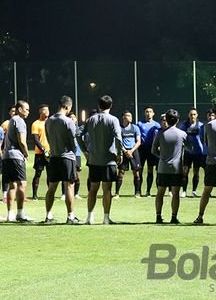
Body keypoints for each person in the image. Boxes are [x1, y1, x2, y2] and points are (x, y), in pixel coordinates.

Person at [78, 95, 123, 225]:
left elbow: (78, 134)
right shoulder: (113, 120)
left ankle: (90, 217)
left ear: (99, 106)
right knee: (107, 190)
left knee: (92, 189)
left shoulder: (91, 119)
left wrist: (85, 150)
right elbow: (118, 138)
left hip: (94, 159)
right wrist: (119, 153)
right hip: (109, 159)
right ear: (111, 105)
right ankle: (105, 218)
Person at [43, 96, 79, 224]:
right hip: (66, 157)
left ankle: (48, 215)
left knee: (51, 187)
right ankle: (70, 216)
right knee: (69, 186)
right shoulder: (68, 121)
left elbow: (47, 138)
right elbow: (73, 141)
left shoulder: (49, 121)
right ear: (67, 107)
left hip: (54, 157)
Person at [151, 109, 188, 224]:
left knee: (160, 192)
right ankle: (174, 217)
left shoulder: (160, 133)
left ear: (166, 120)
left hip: (162, 167)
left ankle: (158, 216)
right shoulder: (182, 134)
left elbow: (153, 150)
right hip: (176, 168)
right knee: (175, 193)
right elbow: (190, 148)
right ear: (177, 120)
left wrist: (162, 156)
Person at [2, 100, 34, 222]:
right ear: (19, 109)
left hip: (7, 156)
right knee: (22, 184)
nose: (28, 112)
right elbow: (22, 141)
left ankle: (10, 214)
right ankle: (20, 213)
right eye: (26, 109)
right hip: (16, 156)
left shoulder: (12, 120)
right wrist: (26, 153)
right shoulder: (20, 121)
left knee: (12, 185)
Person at [115, 110, 142, 198]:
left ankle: (137, 192)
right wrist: (125, 151)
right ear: (123, 117)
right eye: (128, 116)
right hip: (124, 152)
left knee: (136, 172)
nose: (130, 117)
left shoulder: (135, 128)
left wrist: (131, 151)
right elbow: (118, 142)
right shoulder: (119, 128)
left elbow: (138, 142)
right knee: (121, 172)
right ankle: (117, 193)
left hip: (134, 152)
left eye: (131, 116)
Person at [180, 108, 205, 198]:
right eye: (191, 114)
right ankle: (184, 191)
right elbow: (181, 137)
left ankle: (194, 191)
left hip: (198, 153)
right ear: (188, 115)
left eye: (194, 114)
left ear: (197, 115)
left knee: (196, 172)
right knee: (185, 171)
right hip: (187, 153)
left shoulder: (201, 126)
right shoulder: (184, 126)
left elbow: (203, 138)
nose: (192, 116)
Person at [137, 105, 161, 197]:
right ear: (144, 113)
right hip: (142, 149)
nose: (148, 113)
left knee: (150, 170)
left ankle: (148, 191)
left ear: (153, 113)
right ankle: (138, 191)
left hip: (151, 149)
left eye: (150, 111)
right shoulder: (139, 124)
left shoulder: (156, 125)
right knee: (140, 170)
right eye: (147, 111)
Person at [30, 104, 50, 200]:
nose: (47, 112)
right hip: (40, 153)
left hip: (51, 153)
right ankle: (34, 195)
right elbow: (36, 139)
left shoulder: (51, 122)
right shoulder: (36, 124)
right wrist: (43, 149)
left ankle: (50, 194)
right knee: (38, 174)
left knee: (50, 174)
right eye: (44, 110)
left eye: (48, 110)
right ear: (40, 112)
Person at [0, 105, 16, 201]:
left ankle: (18, 192)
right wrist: (2, 150)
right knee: (6, 174)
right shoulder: (5, 124)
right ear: (9, 113)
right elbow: (1, 139)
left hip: (17, 152)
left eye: (15, 111)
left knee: (17, 174)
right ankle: (5, 195)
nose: (14, 113)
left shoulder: (20, 122)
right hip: (6, 152)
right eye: (12, 111)